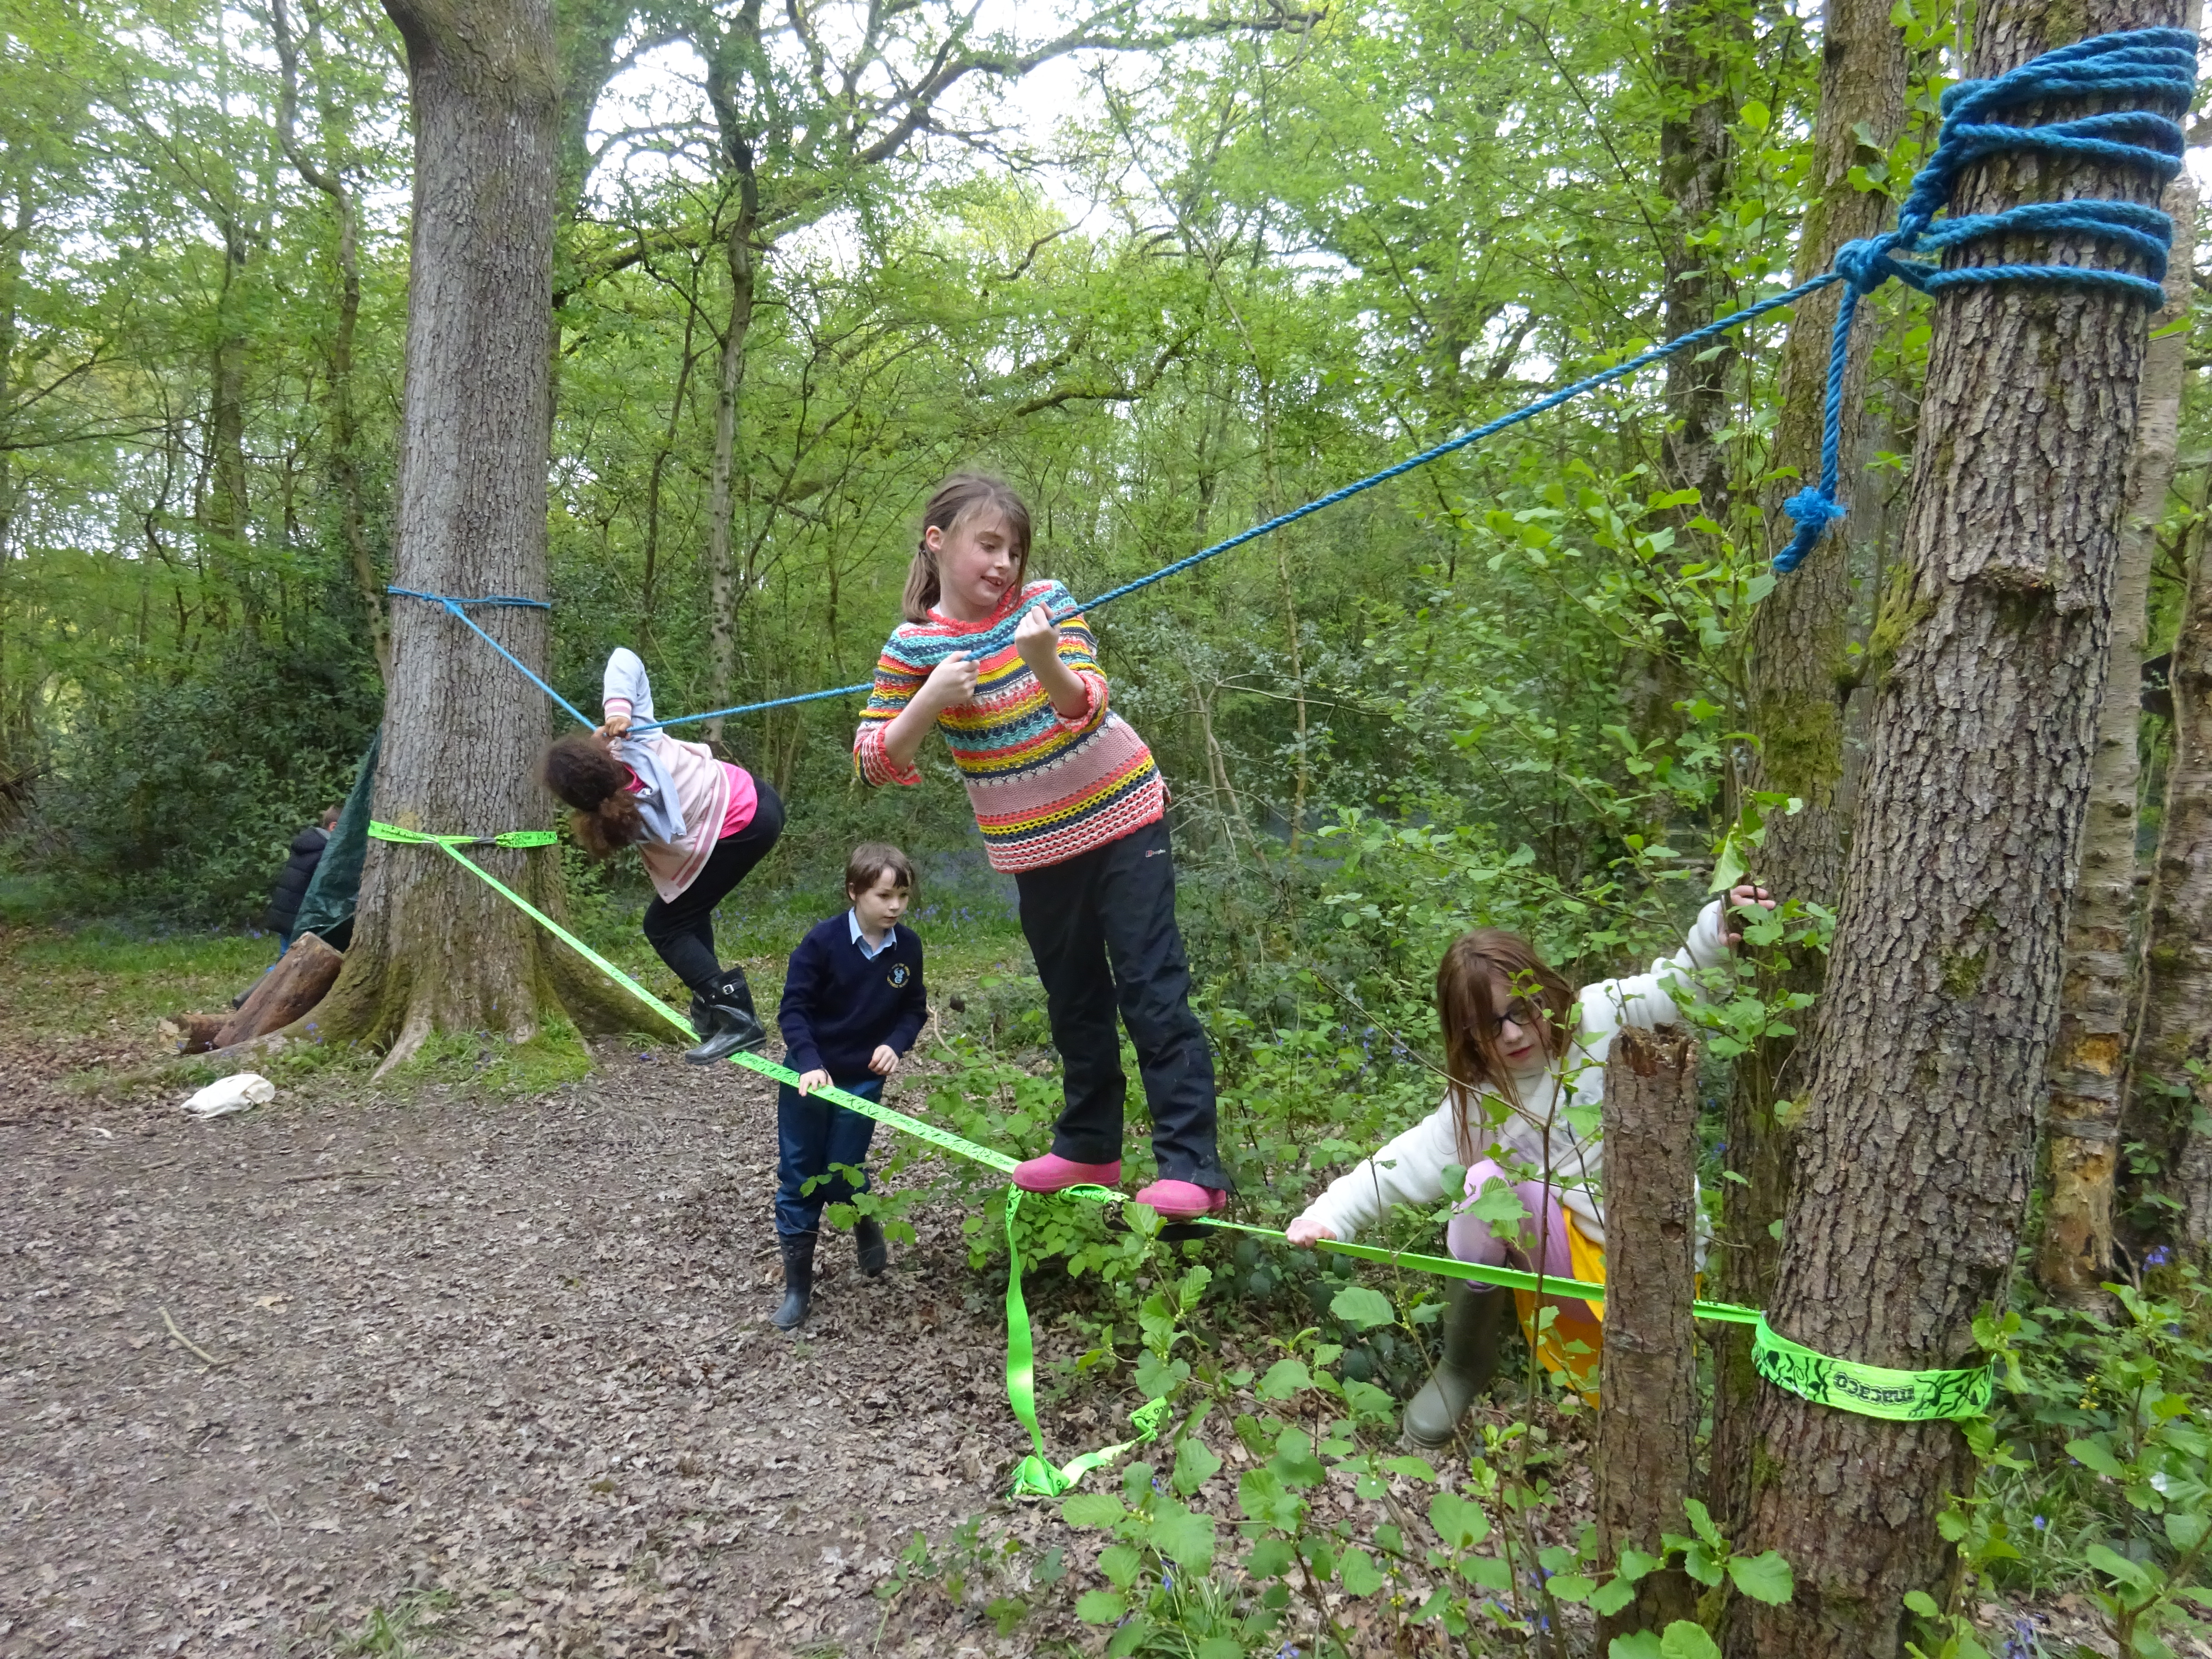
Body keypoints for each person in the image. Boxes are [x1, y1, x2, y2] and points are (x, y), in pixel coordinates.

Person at [853, 473, 1229, 1222]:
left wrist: (1043, 659)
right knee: (1074, 998)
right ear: (938, 541)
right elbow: (875, 759)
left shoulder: (1046, 604)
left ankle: (1194, 1165)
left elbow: (1085, 708)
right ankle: (1091, 1143)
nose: (1004, 564)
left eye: (1014, 550)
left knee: (1151, 987)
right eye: (988, 545)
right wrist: (930, 698)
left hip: (1123, 815)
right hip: (1035, 848)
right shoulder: (913, 646)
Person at [1284, 885, 1773, 1445]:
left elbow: (1683, 984)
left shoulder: (1601, 1013)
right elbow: (1399, 1164)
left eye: (1521, 1009)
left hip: (1661, 1269)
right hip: (1573, 1286)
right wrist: (1329, 1215)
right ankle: (1463, 1365)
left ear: (1546, 990)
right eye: (1488, 1025)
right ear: (1464, 1034)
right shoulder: (1477, 1105)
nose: (1513, 1034)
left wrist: (1721, 925)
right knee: (1485, 1184)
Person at [541, 647, 784, 1064]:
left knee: (665, 925)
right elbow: (623, 658)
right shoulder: (639, 740)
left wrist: (616, 723)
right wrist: (620, 712)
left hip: (741, 823)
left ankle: (737, 1018)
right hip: (754, 802)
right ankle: (712, 1007)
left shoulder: (611, 818)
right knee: (683, 911)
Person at [769, 842, 930, 1330]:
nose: (895, 907)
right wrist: (811, 1063)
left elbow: (914, 1008)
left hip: (863, 1082)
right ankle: (798, 1289)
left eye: (902, 895)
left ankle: (863, 1219)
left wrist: (896, 1044)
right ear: (854, 892)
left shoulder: (909, 949)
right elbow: (793, 1009)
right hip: (810, 1078)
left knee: (843, 1168)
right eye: (884, 896)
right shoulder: (820, 943)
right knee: (800, 1173)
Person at [265, 806, 339, 954]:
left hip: (286, 913)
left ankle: (273, 976)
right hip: (298, 918)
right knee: (293, 961)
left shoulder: (311, 844)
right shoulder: (324, 851)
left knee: (286, 955)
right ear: (334, 827)